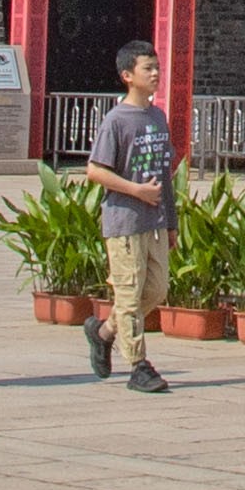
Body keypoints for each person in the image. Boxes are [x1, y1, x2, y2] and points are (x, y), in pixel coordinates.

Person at [82, 40, 177, 392]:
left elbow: (164, 173)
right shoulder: (116, 121)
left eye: (156, 67)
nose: (155, 74)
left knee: (156, 289)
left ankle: (104, 332)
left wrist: (171, 222)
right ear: (127, 76)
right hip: (124, 221)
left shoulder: (157, 117)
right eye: (147, 68)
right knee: (128, 292)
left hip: (154, 222)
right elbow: (95, 170)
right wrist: (136, 191)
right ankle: (138, 365)